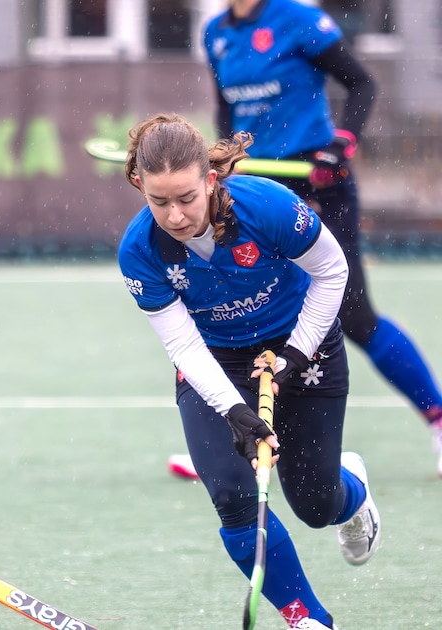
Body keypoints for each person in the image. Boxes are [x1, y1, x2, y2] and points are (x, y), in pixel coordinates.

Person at [118, 113, 380, 630]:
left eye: (186, 198)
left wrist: (299, 354)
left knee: (315, 505)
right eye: (159, 201)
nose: (174, 215)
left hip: (302, 343)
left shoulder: (270, 207)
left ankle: (352, 495)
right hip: (218, 360)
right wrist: (233, 408)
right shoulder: (139, 252)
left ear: (211, 180)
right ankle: (308, 618)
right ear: (138, 186)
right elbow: (184, 346)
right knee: (234, 496)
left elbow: (332, 272)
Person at [167, 0, 442, 480]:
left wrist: (340, 145)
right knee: (234, 313)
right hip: (251, 193)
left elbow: (361, 83)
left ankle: (439, 418)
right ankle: (225, 438)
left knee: (354, 317)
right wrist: (227, 158)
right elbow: (225, 108)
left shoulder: (297, 19)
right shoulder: (215, 33)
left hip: (317, 185)